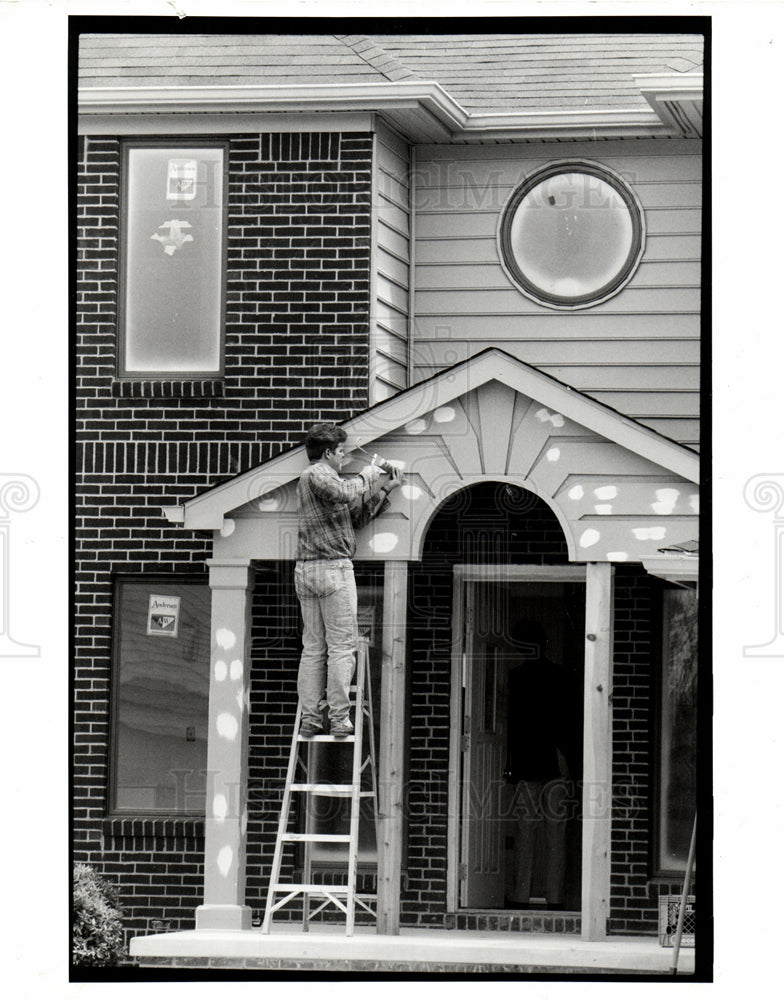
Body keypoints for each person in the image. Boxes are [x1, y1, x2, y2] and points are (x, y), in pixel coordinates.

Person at [295, 422, 402, 737]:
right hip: (331, 569)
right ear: (327, 452)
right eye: (341, 452)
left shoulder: (322, 482)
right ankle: (339, 718)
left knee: (314, 647)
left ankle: (312, 720)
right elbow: (346, 491)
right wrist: (370, 473)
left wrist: (386, 488)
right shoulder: (317, 474)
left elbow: (355, 519)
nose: (343, 458)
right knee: (341, 646)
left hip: (308, 571)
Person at [506, 620, 580, 909]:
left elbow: (511, 727)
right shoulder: (562, 675)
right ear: (545, 644)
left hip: (528, 762)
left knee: (526, 832)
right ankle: (555, 898)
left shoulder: (516, 677)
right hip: (555, 761)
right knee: (556, 834)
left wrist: (512, 766)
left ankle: (522, 896)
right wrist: (570, 763)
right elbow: (571, 725)